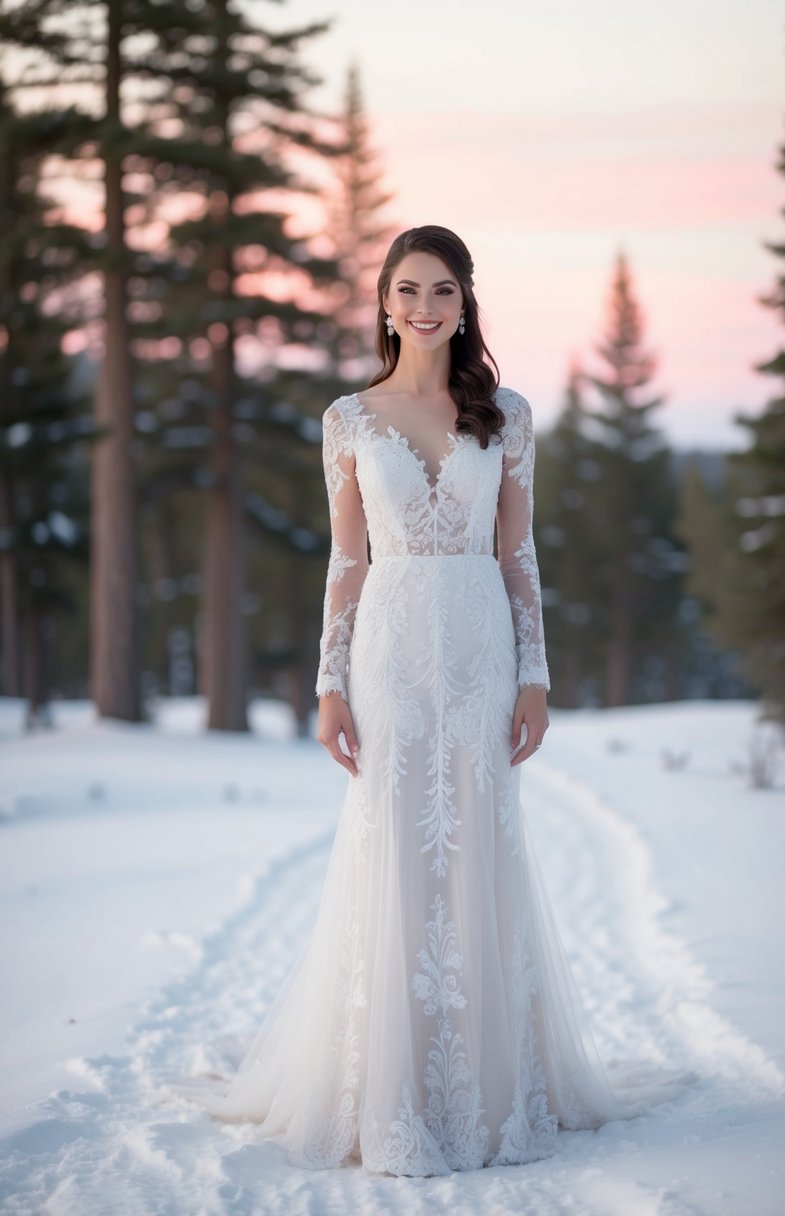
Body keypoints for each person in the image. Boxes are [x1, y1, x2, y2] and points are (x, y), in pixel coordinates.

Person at [170, 225, 645, 1175]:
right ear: (383, 303)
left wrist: (535, 674)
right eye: (407, 290)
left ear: (466, 303)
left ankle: (484, 1084)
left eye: (442, 290)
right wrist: (328, 683)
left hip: (478, 648)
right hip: (389, 651)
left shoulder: (502, 413)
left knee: (475, 841)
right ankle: (385, 1084)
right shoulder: (347, 418)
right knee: (393, 844)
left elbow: (518, 555)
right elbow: (347, 561)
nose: (424, 307)